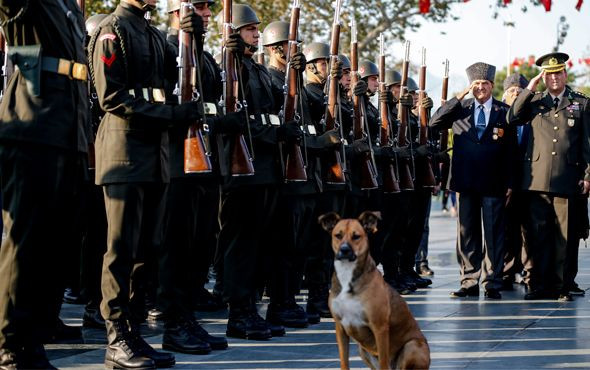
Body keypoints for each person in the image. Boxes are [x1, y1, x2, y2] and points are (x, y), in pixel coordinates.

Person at [88, 0, 236, 366]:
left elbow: (180, 81)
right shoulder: (113, 29)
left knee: (147, 250)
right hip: (123, 151)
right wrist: (170, 115)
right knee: (121, 250)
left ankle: (134, 331)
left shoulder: (152, 35)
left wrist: (196, 40)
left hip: (154, 157)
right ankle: (117, 335)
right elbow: (111, 96)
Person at [0, 0, 89, 367]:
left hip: (68, 129)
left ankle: (35, 335)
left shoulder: (66, 5)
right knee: (27, 239)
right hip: (32, 126)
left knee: (57, 242)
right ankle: (11, 343)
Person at [217, 4, 297, 341]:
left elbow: (277, 110)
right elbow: (236, 115)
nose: (256, 33)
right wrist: (228, 57)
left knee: (263, 244)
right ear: (235, 33)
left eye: (256, 28)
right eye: (250, 29)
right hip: (243, 169)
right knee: (241, 245)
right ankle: (240, 311)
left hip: (267, 168)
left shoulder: (259, 70)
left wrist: (295, 71)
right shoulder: (231, 66)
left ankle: (253, 308)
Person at [158, 0, 229, 355]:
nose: (205, 14)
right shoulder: (166, 48)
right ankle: (173, 323)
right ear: (176, 11)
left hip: (205, 157)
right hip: (175, 160)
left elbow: (212, 103)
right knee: (177, 246)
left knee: (201, 244)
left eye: (207, 8)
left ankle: (188, 318)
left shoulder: (205, 56)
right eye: (199, 7)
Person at [507, 52, 590, 301]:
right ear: (544, 77)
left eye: (558, 73)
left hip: (568, 178)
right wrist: (528, 89)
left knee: (565, 236)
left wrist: (587, 175)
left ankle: (561, 286)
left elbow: (587, 142)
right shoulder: (534, 101)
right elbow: (512, 117)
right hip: (537, 180)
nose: (554, 78)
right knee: (537, 235)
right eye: (549, 74)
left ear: (565, 74)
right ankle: (539, 285)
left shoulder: (581, 103)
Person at [430, 62, 516, 300]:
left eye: (485, 84)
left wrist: (510, 181)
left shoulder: (503, 111)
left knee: (493, 234)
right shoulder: (460, 109)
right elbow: (434, 122)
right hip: (465, 181)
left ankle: (492, 282)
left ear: (492, 85)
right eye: (476, 84)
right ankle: (469, 280)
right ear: (470, 86)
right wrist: (459, 97)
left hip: (494, 182)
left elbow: (511, 150)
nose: (481, 88)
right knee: (467, 234)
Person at [500, 73, 532, 291]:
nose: (516, 95)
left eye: (520, 92)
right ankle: (506, 271)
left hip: (529, 182)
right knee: (506, 229)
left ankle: (526, 272)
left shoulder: (532, 117)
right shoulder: (499, 116)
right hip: (504, 182)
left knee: (527, 230)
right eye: (512, 92)